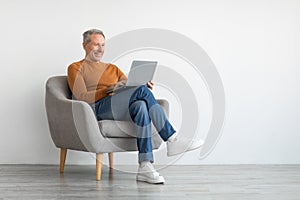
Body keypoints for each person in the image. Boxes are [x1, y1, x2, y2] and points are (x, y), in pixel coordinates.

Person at [67, 29, 203, 184]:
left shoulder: (112, 68)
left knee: (140, 106)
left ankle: (145, 166)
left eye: (103, 45)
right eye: (96, 44)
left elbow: (131, 87)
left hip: (118, 107)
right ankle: (172, 138)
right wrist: (109, 89)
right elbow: (81, 96)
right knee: (141, 93)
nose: (100, 49)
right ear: (84, 45)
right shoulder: (75, 67)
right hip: (96, 108)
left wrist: (142, 84)